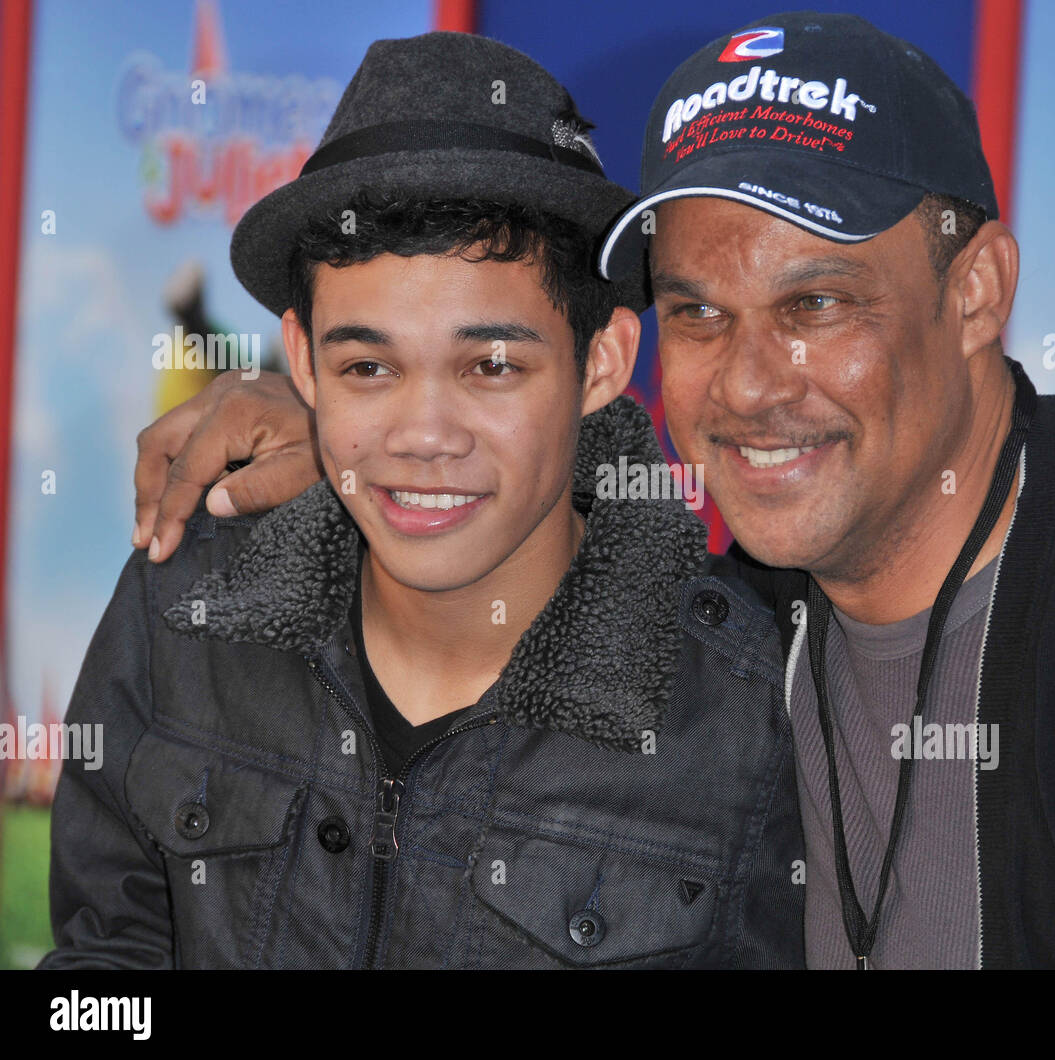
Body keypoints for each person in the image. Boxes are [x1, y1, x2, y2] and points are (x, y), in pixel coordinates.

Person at [132, 13, 1055, 969]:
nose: (746, 384)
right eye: (696, 311)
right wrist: (352, 428)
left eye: (816, 305)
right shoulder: (744, 613)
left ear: (977, 290)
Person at [42, 31, 803, 969]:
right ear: (302, 359)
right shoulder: (180, 600)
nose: (423, 435)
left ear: (601, 360)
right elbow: (102, 965)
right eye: (369, 366)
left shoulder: (754, 709)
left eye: (490, 365)